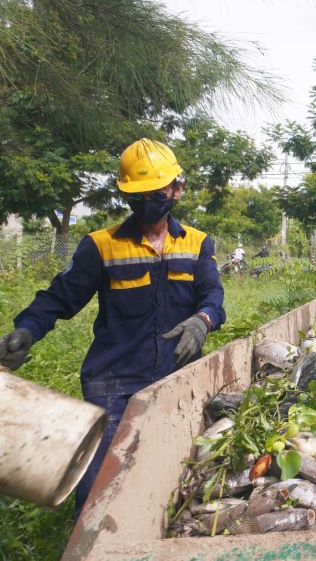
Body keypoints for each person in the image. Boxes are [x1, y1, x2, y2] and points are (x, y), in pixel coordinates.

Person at [0, 138, 225, 515]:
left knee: (171, 478)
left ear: (176, 190)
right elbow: (58, 299)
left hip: (176, 379)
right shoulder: (101, 246)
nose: (146, 202)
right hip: (114, 383)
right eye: (136, 196)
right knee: (97, 489)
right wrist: (26, 330)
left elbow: (212, 297)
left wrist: (202, 321)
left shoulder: (198, 243)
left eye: (155, 193)